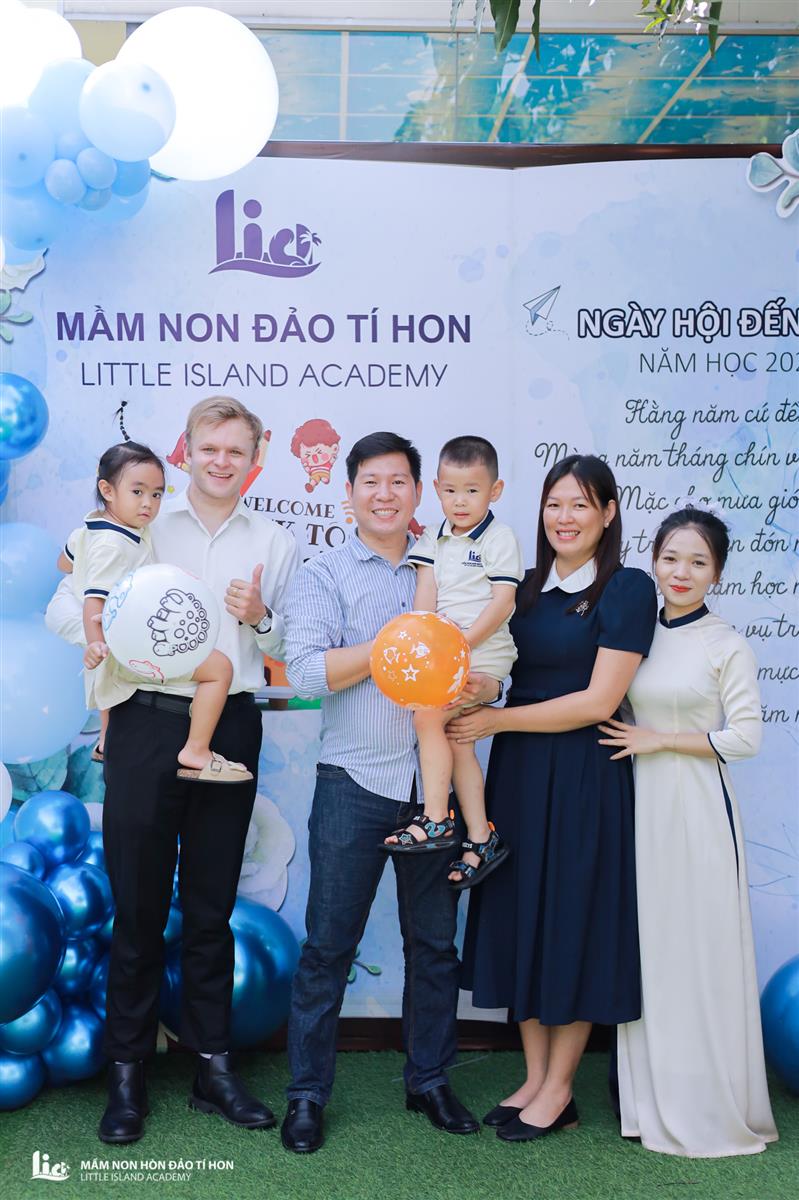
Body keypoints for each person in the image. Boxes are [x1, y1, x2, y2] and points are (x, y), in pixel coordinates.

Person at [45, 396, 301, 1144]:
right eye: (208, 447)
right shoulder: (142, 520)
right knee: (138, 908)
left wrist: (259, 616)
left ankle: (213, 1067)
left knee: (213, 907)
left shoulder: (275, 540)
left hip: (232, 723)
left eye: (236, 450)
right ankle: (126, 1073)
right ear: (186, 450)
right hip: (145, 722)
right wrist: (114, 640)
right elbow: (65, 607)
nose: (222, 461)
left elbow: (291, 645)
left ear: (256, 458)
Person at [281, 431, 497, 1154]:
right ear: (349, 494)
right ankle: (307, 1094)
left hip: (431, 791)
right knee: (327, 947)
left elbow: (488, 658)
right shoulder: (324, 573)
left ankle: (429, 1079)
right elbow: (306, 674)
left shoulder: (450, 562)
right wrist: (395, 648)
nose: (384, 494)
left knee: (434, 945)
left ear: (417, 492)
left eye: (398, 481)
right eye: (370, 481)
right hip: (354, 780)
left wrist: (485, 682)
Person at [447, 454, 657, 1143]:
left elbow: (599, 700)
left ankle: (561, 1087)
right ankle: (534, 1077)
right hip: (519, 772)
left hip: (583, 775)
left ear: (608, 513)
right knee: (521, 915)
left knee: (571, 918)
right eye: (554, 504)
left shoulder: (626, 588)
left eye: (580, 504)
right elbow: (505, 671)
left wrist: (498, 719)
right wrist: (483, 692)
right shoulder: (527, 585)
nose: (564, 518)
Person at [600, 507, 778, 1157]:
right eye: (671, 558)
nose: (681, 572)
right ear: (653, 561)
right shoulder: (636, 632)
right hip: (640, 808)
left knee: (699, 951)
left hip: (698, 810)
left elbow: (745, 738)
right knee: (651, 950)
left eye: (698, 562)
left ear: (717, 574)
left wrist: (661, 739)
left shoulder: (725, 644)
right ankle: (649, 1103)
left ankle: (708, 1105)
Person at [59, 439, 251, 784]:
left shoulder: (93, 527)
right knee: (219, 668)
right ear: (107, 490)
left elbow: (65, 563)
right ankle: (196, 749)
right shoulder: (114, 545)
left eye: (157, 494)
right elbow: (94, 600)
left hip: (119, 639)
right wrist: (96, 643)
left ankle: (105, 741)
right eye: (138, 492)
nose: (148, 503)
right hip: (124, 641)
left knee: (109, 686)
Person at [383, 436, 523, 890]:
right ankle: (481, 836)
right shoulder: (433, 538)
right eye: (451, 491)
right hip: (445, 654)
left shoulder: (500, 539)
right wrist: (424, 640)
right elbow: (425, 595)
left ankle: (437, 816)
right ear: (437, 489)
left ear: (495, 491)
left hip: (483, 653)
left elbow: (503, 602)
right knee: (458, 740)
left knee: (428, 718)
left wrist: (461, 644)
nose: (460, 501)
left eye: (472, 491)